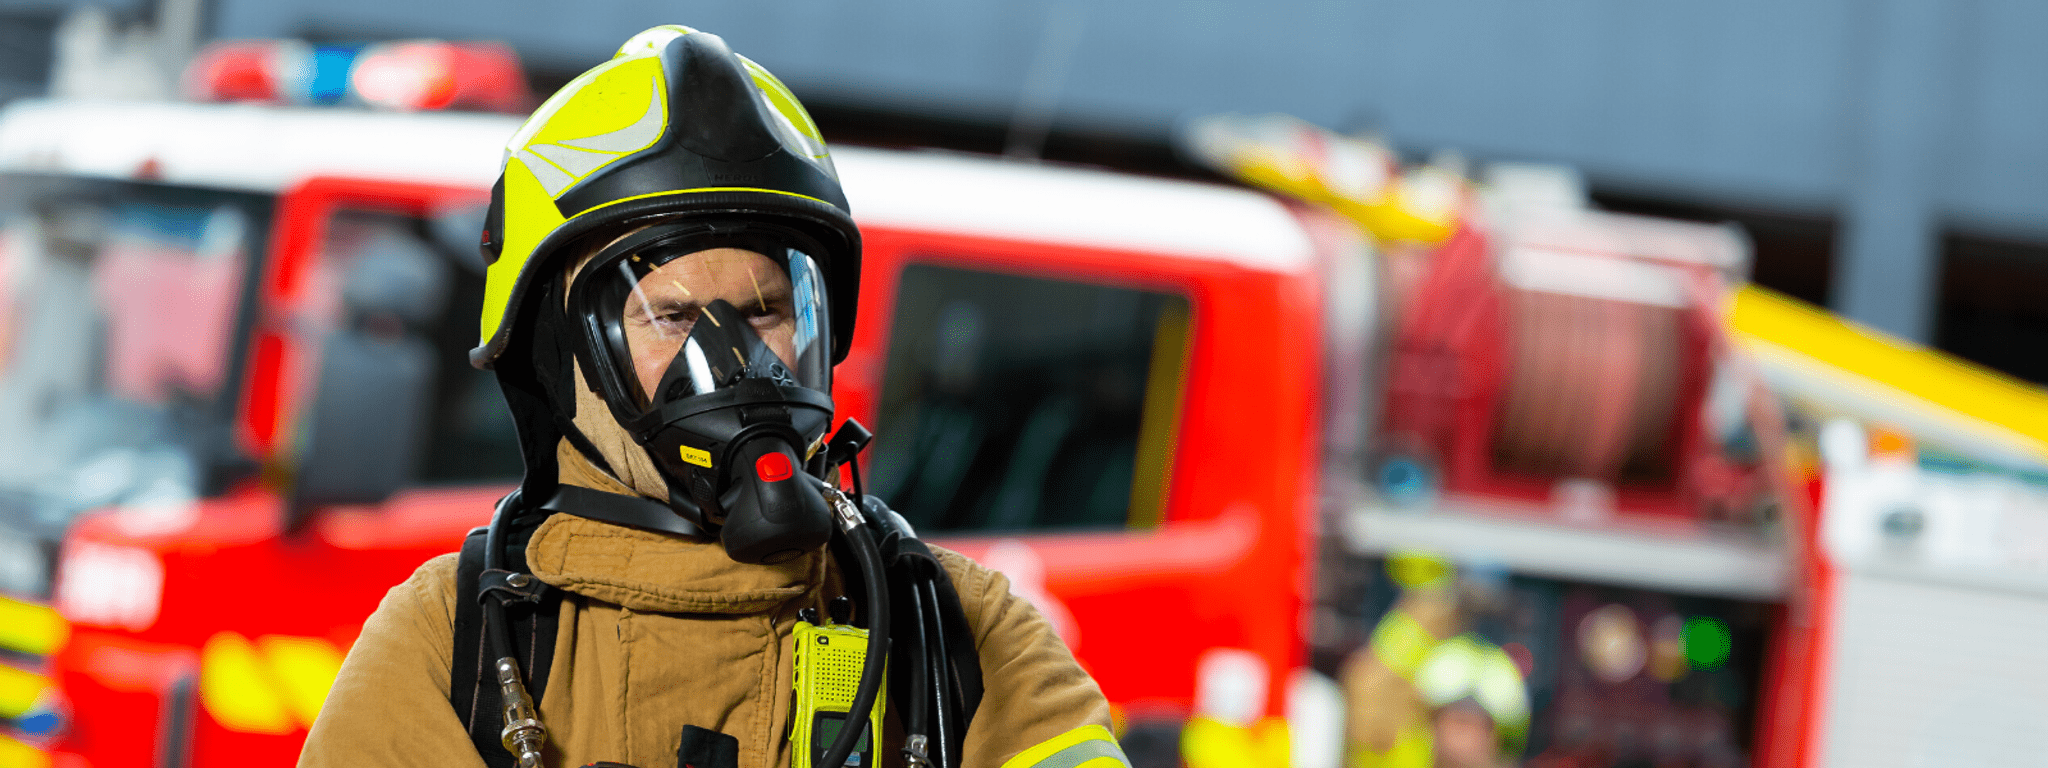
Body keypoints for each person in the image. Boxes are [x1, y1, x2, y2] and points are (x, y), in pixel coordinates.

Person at [299, 25, 1128, 768]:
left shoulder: (951, 632)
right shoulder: (458, 645)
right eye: (673, 314)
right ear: (563, 357)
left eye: (766, 309)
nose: (734, 360)